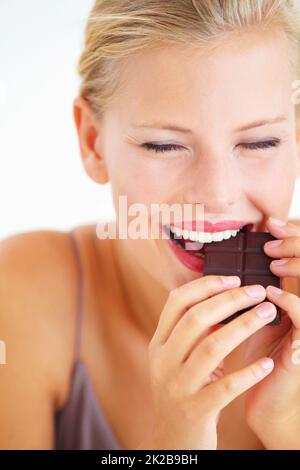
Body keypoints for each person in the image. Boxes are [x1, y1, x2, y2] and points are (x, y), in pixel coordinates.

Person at [1, 0, 300, 450]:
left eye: (260, 141)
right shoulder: (21, 292)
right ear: (93, 143)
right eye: (164, 146)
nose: (217, 193)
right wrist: (177, 444)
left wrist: (288, 428)